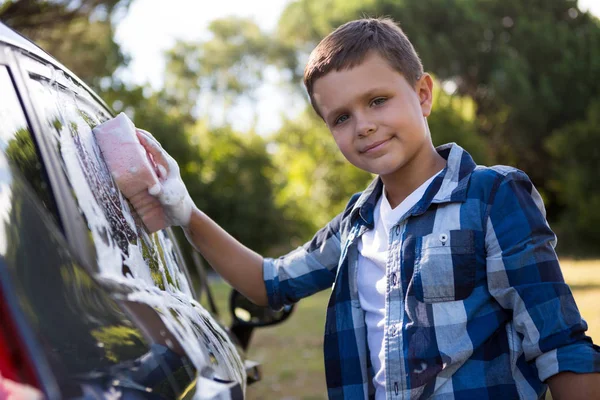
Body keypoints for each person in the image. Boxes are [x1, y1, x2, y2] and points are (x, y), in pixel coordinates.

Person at [129, 17, 600, 400]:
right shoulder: (355, 224)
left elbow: (559, 345)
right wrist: (184, 210)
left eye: (377, 101)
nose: (364, 126)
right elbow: (269, 284)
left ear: (422, 95)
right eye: (341, 118)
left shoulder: (491, 195)